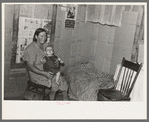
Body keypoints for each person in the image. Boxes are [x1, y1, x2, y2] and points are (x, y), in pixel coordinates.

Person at [24, 28, 68, 100]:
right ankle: (51, 99)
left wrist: (56, 60)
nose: (43, 38)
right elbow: (29, 66)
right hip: (37, 74)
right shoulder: (31, 49)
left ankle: (66, 101)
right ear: (36, 37)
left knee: (62, 80)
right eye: (41, 36)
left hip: (47, 70)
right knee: (56, 82)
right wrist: (44, 73)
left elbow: (51, 56)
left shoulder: (45, 45)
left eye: (45, 36)